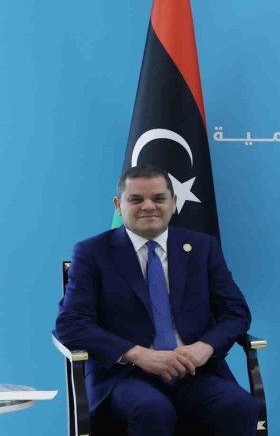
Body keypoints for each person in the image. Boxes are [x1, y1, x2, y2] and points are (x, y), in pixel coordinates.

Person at [55, 165, 259, 436]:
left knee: (240, 406)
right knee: (152, 410)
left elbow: (236, 312)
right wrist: (139, 355)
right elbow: (71, 324)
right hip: (124, 375)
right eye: (136, 199)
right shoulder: (92, 252)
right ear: (118, 205)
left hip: (193, 371)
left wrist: (204, 347)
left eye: (159, 198)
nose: (148, 206)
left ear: (173, 202)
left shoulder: (202, 247)